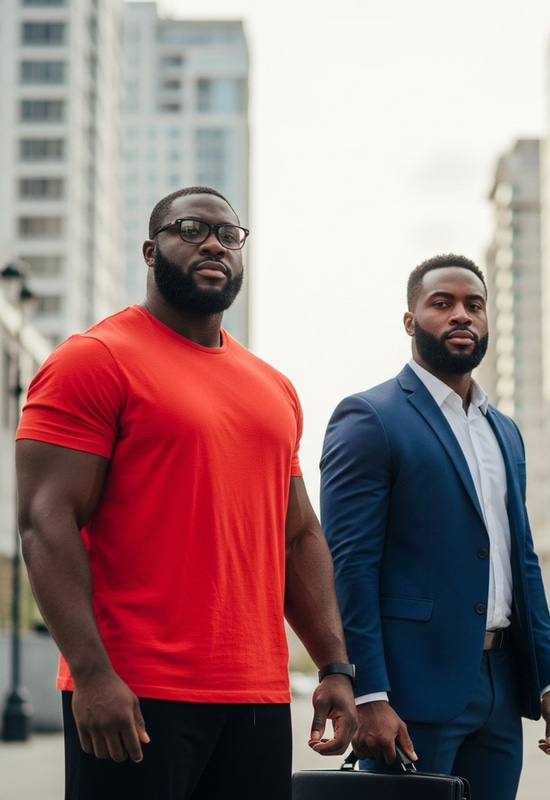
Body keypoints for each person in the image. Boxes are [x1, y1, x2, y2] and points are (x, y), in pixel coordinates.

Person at [15, 186, 357, 800]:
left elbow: (299, 534)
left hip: (256, 694)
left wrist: (333, 664)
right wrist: (91, 675)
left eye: (229, 236)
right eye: (191, 229)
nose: (213, 244)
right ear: (151, 250)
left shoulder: (273, 388)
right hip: (135, 692)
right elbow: (46, 521)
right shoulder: (94, 360)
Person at [319, 253, 550, 800]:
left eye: (474, 305)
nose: (461, 314)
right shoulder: (370, 417)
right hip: (410, 692)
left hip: (501, 687)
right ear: (410, 320)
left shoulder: (504, 431)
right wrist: (370, 693)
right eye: (442, 303)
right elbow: (350, 567)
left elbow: (520, 560)